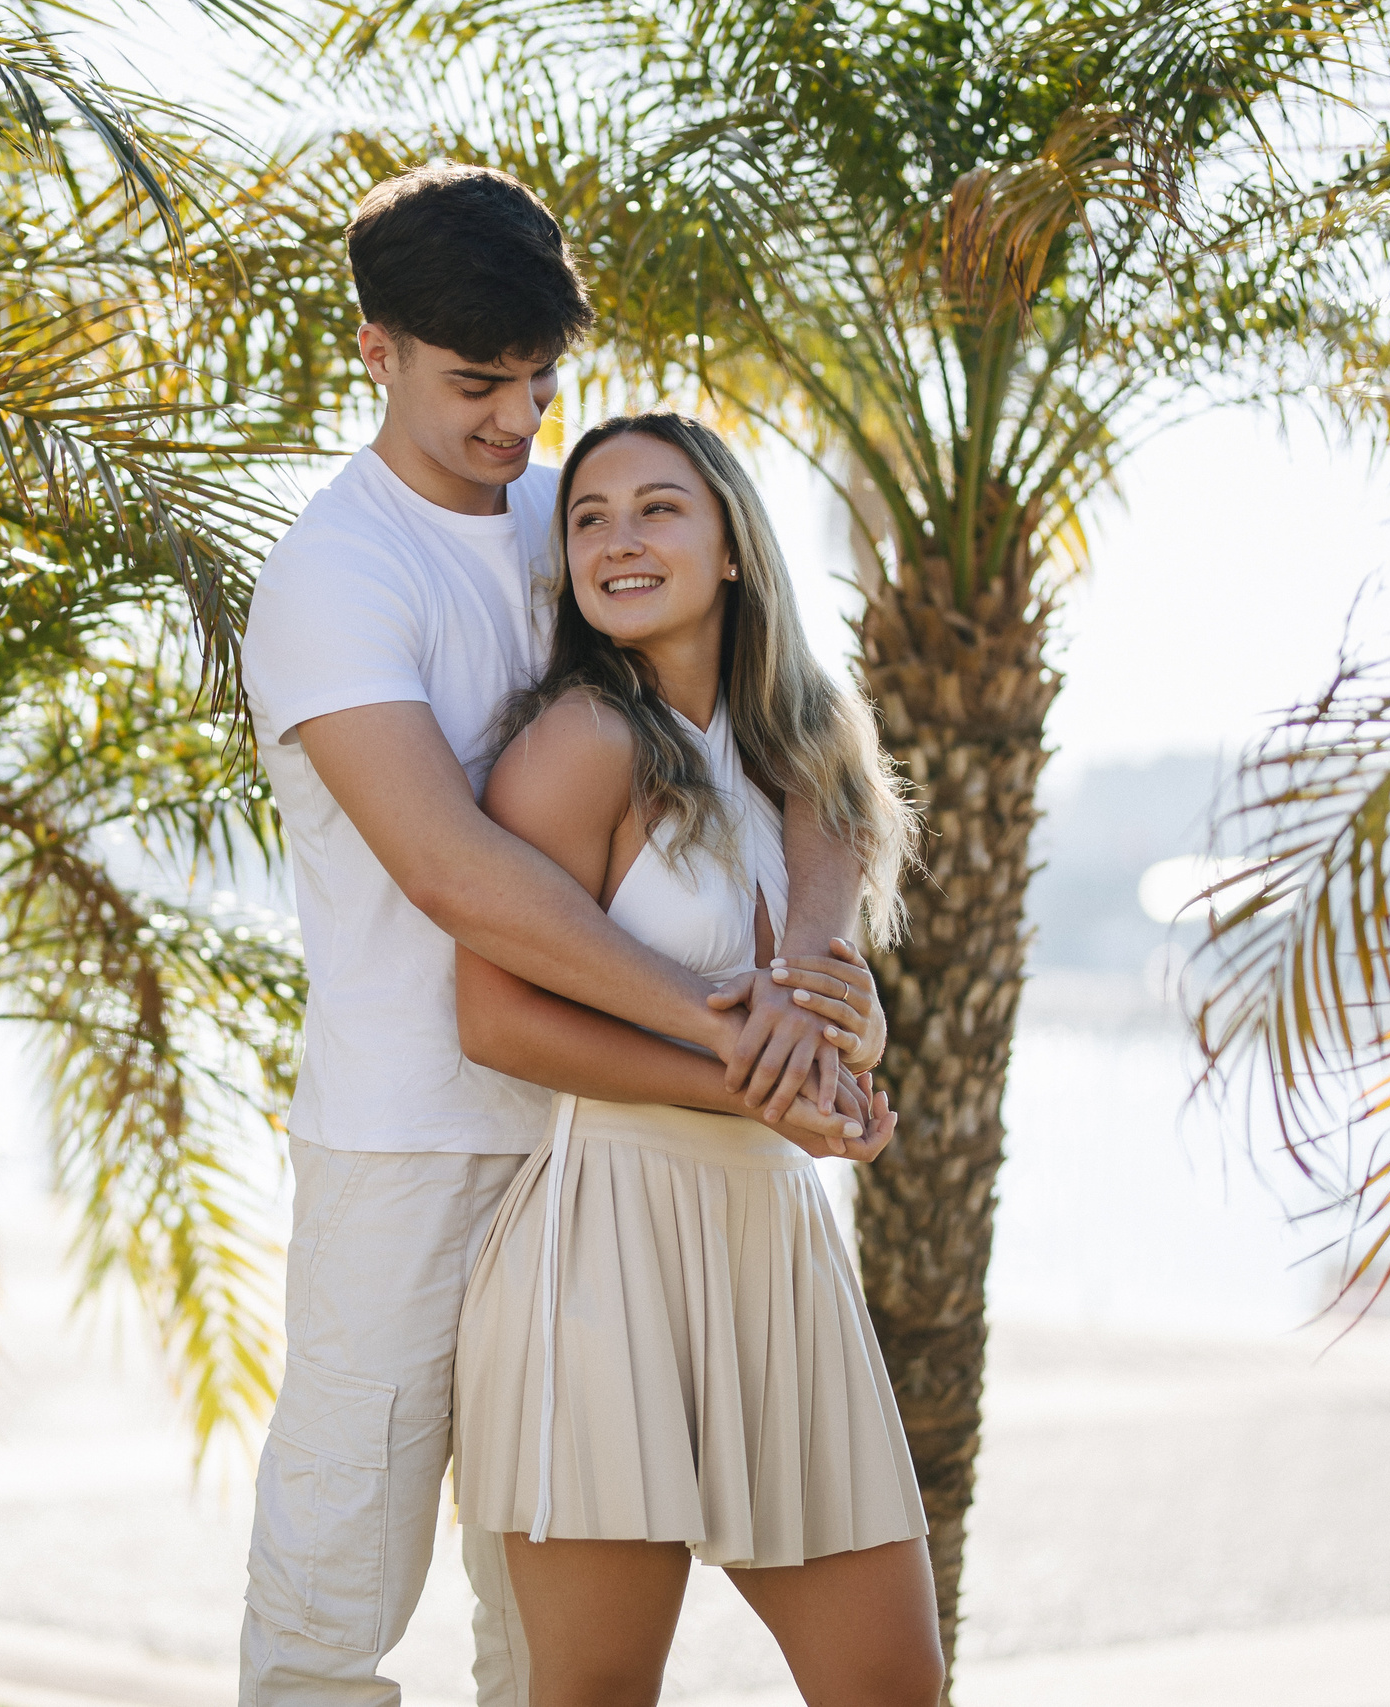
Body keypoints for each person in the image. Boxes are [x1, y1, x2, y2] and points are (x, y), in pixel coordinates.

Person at [236, 162, 894, 1707]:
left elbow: (794, 721)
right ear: (375, 349)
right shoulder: (335, 578)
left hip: (604, 1157)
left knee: (540, 1644)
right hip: (410, 1143)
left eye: (540, 381)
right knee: (338, 1597)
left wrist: (807, 963)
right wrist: (731, 1027)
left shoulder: (581, 513)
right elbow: (458, 871)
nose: (519, 423)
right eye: (480, 384)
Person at [451, 411, 940, 1707]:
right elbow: (493, 1020)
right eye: (591, 518)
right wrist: (756, 1083)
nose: (619, 539)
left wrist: (849, 1054)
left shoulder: (802, 748)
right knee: (600, 1691)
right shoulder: (578, 744)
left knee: (893, 1684)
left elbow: (817, 999)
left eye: (659, 508)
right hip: (602, 1242)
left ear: (732, 544)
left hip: (777, 1242)